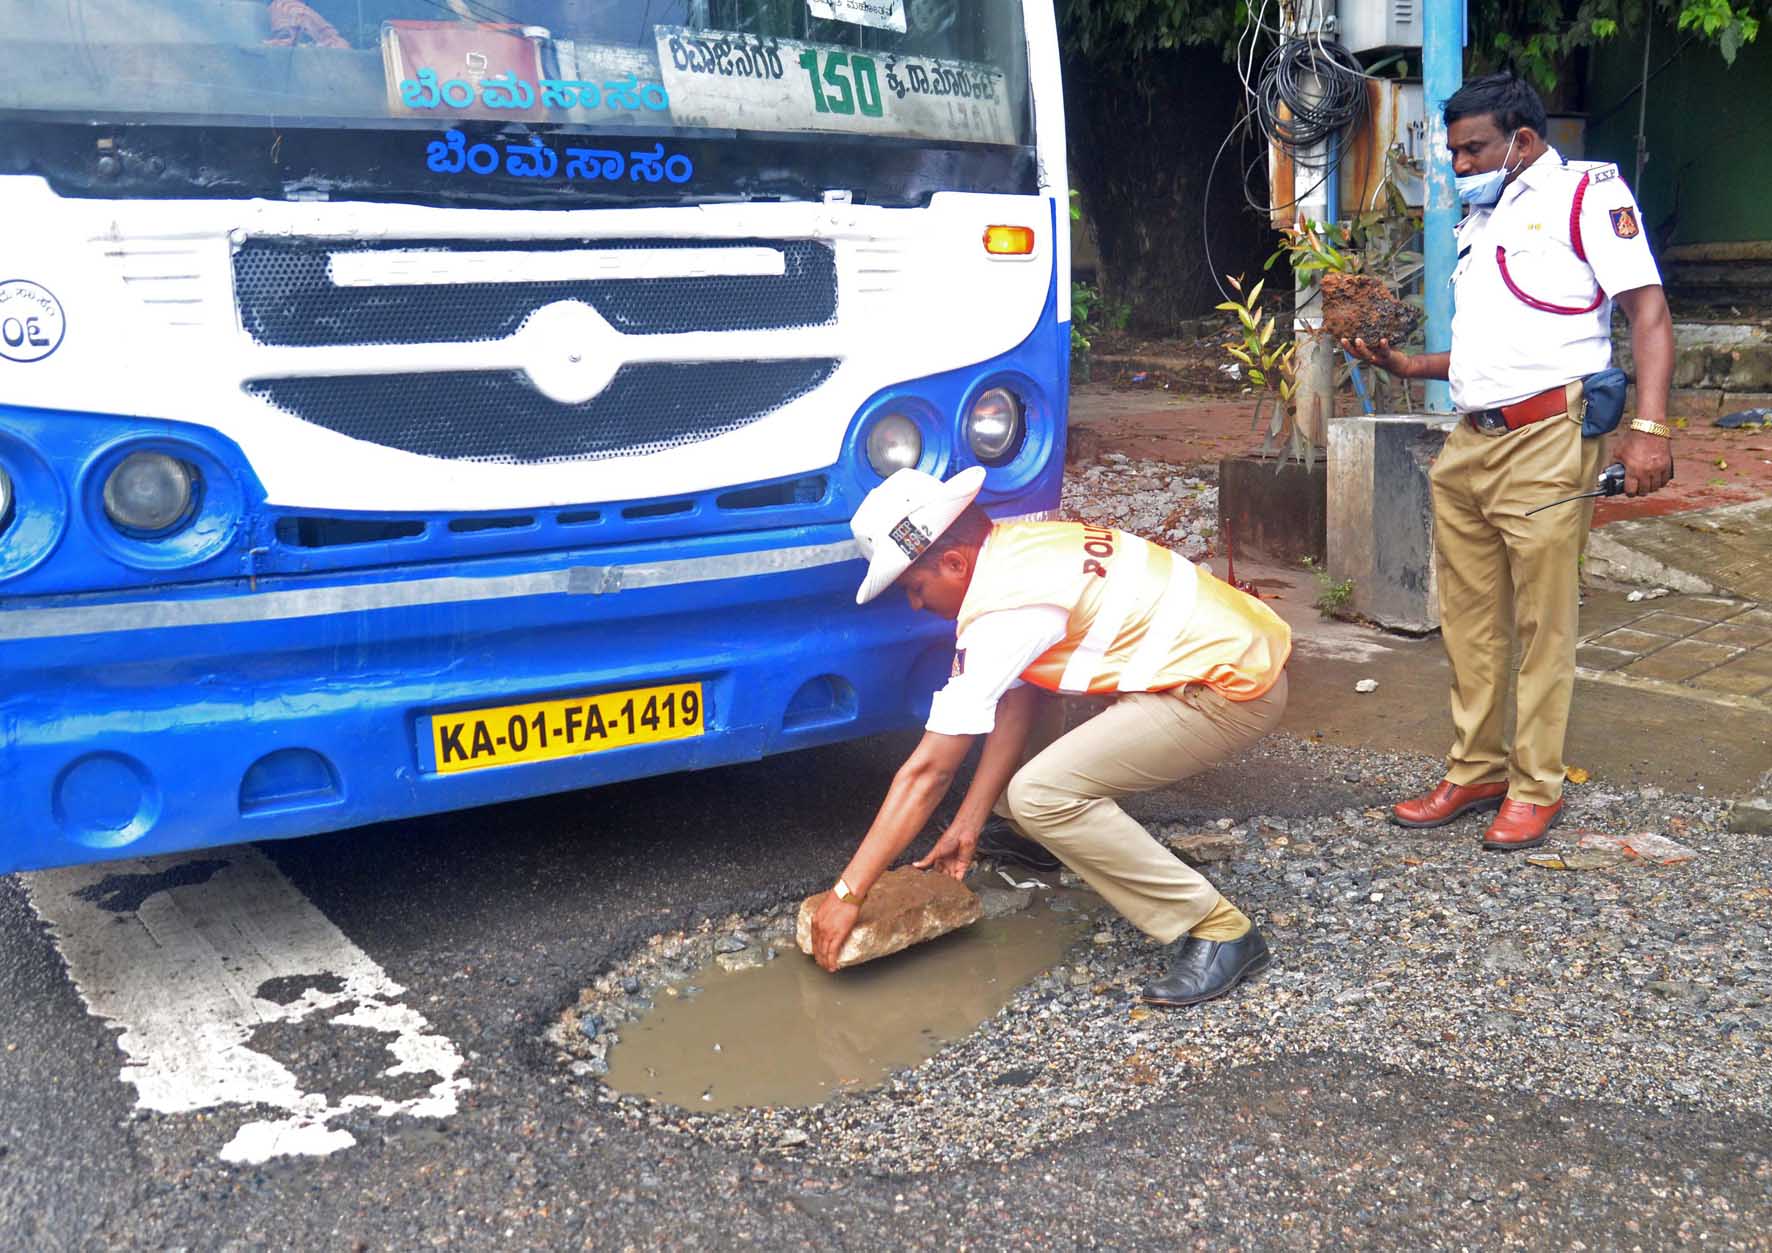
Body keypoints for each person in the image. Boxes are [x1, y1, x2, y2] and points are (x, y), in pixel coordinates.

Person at [807, 465, 1293, 1007]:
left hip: (1224, 693)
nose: (917, 605)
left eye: (915, 589)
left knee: (1040, 795)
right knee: (1030, 774)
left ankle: (1219, 929)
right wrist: (970, 822)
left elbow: (928, 771)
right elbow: (1021, 697)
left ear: (953, 561)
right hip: (1221, 662)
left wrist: (849, 892)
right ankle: (1034, 836)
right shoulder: (1020, 549)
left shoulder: (1004, 612)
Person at [1344, 72, 1674, 851]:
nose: (1458, 163)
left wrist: (1652, 429)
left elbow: (1649, 312)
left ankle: (1536, 785)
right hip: (1471, 442)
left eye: (1473, 148)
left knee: (1542, 624)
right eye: (1453, 150)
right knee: (1468, 623)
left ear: (1522, 140)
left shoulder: (1586, 196)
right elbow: (1498, 348)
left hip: (1548, 440)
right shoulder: (1484, 216)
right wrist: (1407, 366)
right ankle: (1476, 767)